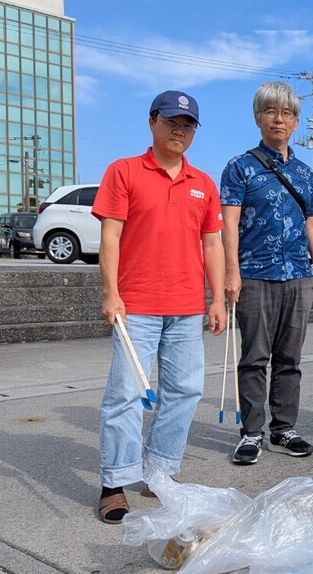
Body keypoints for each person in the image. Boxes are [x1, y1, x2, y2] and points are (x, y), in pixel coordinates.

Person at [92, 90, 226, 524]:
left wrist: (218, 297)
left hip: (187, 306)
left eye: (187, 125)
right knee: (125, 395)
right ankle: (114, 482)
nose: (179, 130)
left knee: (186, 391)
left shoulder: (203, 184)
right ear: (152, 122)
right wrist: (110, 293)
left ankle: (160, 472)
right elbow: (109, 236)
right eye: (171, 121)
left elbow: (212, 244)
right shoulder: (124, 171)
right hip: (137, 307)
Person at [220, 81, 313, 466]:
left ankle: (284, 428)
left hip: (299, 274)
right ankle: (251, 433)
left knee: (289, 359)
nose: (279, 119)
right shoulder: (240, 168)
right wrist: (231, 274)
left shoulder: (303, 173)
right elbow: (229, 225)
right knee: (254, 358)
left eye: (286, 113)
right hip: (254, 274)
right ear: (258, 118)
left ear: (296, 122)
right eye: (271, 111)